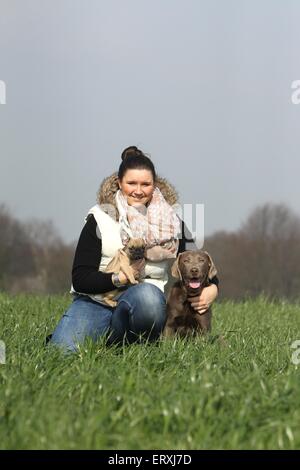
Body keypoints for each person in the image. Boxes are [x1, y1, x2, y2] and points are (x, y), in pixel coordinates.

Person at [49, 146, 219, 352]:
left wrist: (213, 289)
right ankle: (109, 340)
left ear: (154, 185)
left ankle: (134, 345)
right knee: (61, 352)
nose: (138, 190)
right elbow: (80, 277)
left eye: (145, 184)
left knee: (147, 296)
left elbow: (197, 259)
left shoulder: (172, 222)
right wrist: (117, 279)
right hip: (96, 302)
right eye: (131, 183)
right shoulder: (100, 218)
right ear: (119, 183)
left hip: (145, 306)